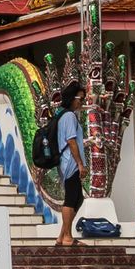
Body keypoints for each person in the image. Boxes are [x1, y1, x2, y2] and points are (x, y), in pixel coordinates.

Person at [54, 83, 86, 247]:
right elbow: (71, 141)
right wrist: (80, 163)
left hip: (69, 161)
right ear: (72, 98)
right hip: (70, 163)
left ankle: (62, 236)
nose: (81, 102)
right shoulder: (69, 116)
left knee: (78, 199)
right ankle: (67, 236)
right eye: (80, 98)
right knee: (71, 198)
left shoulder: (65, 115)